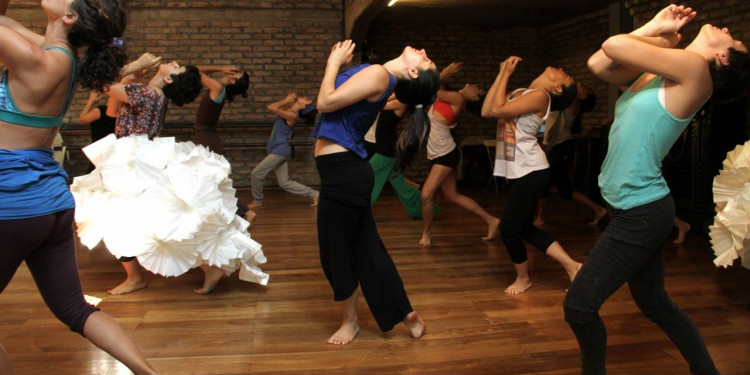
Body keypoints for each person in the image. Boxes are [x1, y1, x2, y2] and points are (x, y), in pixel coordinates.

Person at [564, 5, 749, 374]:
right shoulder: (665, 72)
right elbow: (599, 65)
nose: (731, 31)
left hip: (641, 212)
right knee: (654, 303)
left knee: (579, 308)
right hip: (636, 207)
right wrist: (658, 29)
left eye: (737, 41)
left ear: (724, 59)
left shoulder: (696, 71)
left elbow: (615, 43)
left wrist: (654, 28)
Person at [0, 0, 158, 373]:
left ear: (69, 17)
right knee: (73, 306)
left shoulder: (36, 56)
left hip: (13, 200)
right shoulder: (57, 54)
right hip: (49, 201)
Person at [313, 41, 438, 345]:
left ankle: (351, 322)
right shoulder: (382, 77)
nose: (423, 52)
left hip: (344, 174)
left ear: (412, 71)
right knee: (366, 250)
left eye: (426, 60)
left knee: (339, 253)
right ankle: (405, 313)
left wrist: (334, 62)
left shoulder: (380, 75)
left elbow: (326, 103)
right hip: (344, 173)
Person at [101, 55, 203, 295]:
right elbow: (112, 112)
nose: (174, 61)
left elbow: (103, 83)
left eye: (177, 67)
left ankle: (136, 278)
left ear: (168, 78)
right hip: (133, 159)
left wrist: (137, 65)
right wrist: (127, 78)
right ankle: (137, 276)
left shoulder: (146, 94)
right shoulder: (149, 93)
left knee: (122, 221)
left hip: (133, 164)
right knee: (137, 221)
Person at [481, 57, 583, 294]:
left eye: (564, 75)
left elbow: (497, 110)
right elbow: (488, 110)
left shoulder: (542, 97)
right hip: (521, 170)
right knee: (524, 228)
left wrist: (506, 74)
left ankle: (524, 278)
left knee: (508, 229)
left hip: (532, 170)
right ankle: (573, 266)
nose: (561, 68)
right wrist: (500, 73)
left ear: (558, 88)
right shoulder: (521, 92)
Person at [418, 62, 500, 246]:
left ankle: (426, 234)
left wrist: (444, 74)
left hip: (445, 154)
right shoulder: (450, 98)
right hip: (438, 153)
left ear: (475, 97)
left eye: (479, 89)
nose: (476, 86)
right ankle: (492, 220)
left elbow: (426, 89)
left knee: (426, 195)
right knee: (452, 195)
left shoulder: (458, 99)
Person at [535, 82, 607, 226]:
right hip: (559, 148)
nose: (581, 84)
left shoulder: (572, 103)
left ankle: (539, 217)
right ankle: (598, 209)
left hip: (562, 148)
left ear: (584, 96)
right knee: (565, 189)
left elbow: (573, 88)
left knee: (543, 182)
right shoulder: (565, 102)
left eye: (586, 88)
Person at [193, 64, 254, 225]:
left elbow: (194, 70)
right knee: (208, 180)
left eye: (236, 72)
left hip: (206, 139)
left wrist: (221, 67)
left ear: (233, 80)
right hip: (206, 138)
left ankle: (245, 211)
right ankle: (237, 212)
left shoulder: (218, 88)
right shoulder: (220, 89)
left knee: (212, 181)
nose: (232, 71)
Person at [368, 94, 441, 219]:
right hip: (387, 148)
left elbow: (377, 104)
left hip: (386, 150)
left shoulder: (402, 103)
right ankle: (426, 211)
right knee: (401, 184)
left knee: (366, 176)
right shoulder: (399, 100)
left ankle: (357, 211)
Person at [248, 92, 319, 209]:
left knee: (256, 174)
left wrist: (286, 100)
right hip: (279, 150)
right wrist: (287, 102)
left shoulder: (292, 116)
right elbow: (275, 106)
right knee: (284, 182)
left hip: (279, 151)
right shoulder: (289, 111)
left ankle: (257, 200)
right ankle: (314, 194)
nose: (306, 98)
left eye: (308, 101)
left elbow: (271, 107)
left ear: (304, 107)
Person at [79, 90, 116, 172]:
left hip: (99, 150)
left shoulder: (101, 110)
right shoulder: (122, 113)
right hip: (113, 150)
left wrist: (91, 101)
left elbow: (82, 119)